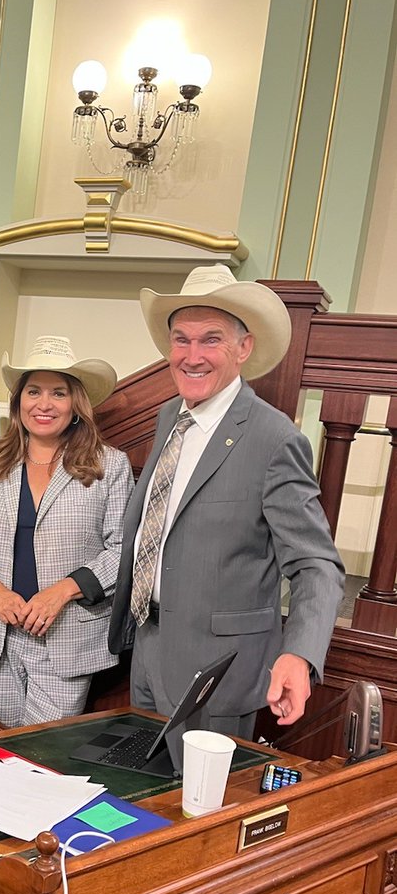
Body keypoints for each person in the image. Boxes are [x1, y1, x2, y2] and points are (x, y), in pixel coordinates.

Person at [107, 264, 344, 740]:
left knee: (203, 810)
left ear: (243, 348)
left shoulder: (274, 439)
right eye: (181, 339)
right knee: (151, 803)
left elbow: (317, 564)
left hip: (218, 674)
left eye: (211, 339)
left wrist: (298, 655)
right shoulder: (169, 416)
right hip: (147, 649)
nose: (192, 356)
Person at [0, 337, 133, 728]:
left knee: (41, 757)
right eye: (33, 391)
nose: (44, 404)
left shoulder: (109, 466)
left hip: (66, 637)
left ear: (76, 404)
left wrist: (62, 591)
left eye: (58, 393)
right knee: (2, 747)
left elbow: (122, 550)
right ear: (18, 402)